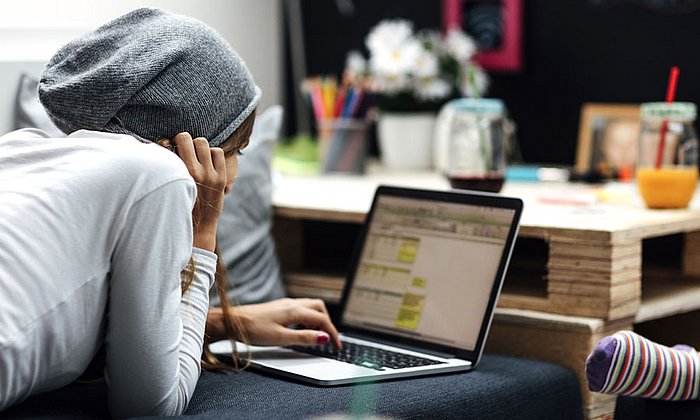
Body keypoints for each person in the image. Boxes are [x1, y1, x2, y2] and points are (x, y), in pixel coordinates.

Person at [0, 8, 340, 417]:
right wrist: (204, 233)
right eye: (236, 150)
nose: (231, 178)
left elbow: (63, 321)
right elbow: (151, 405)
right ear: (188, 145)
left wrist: (223, 323)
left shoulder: (19, 149)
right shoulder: (156, 174)